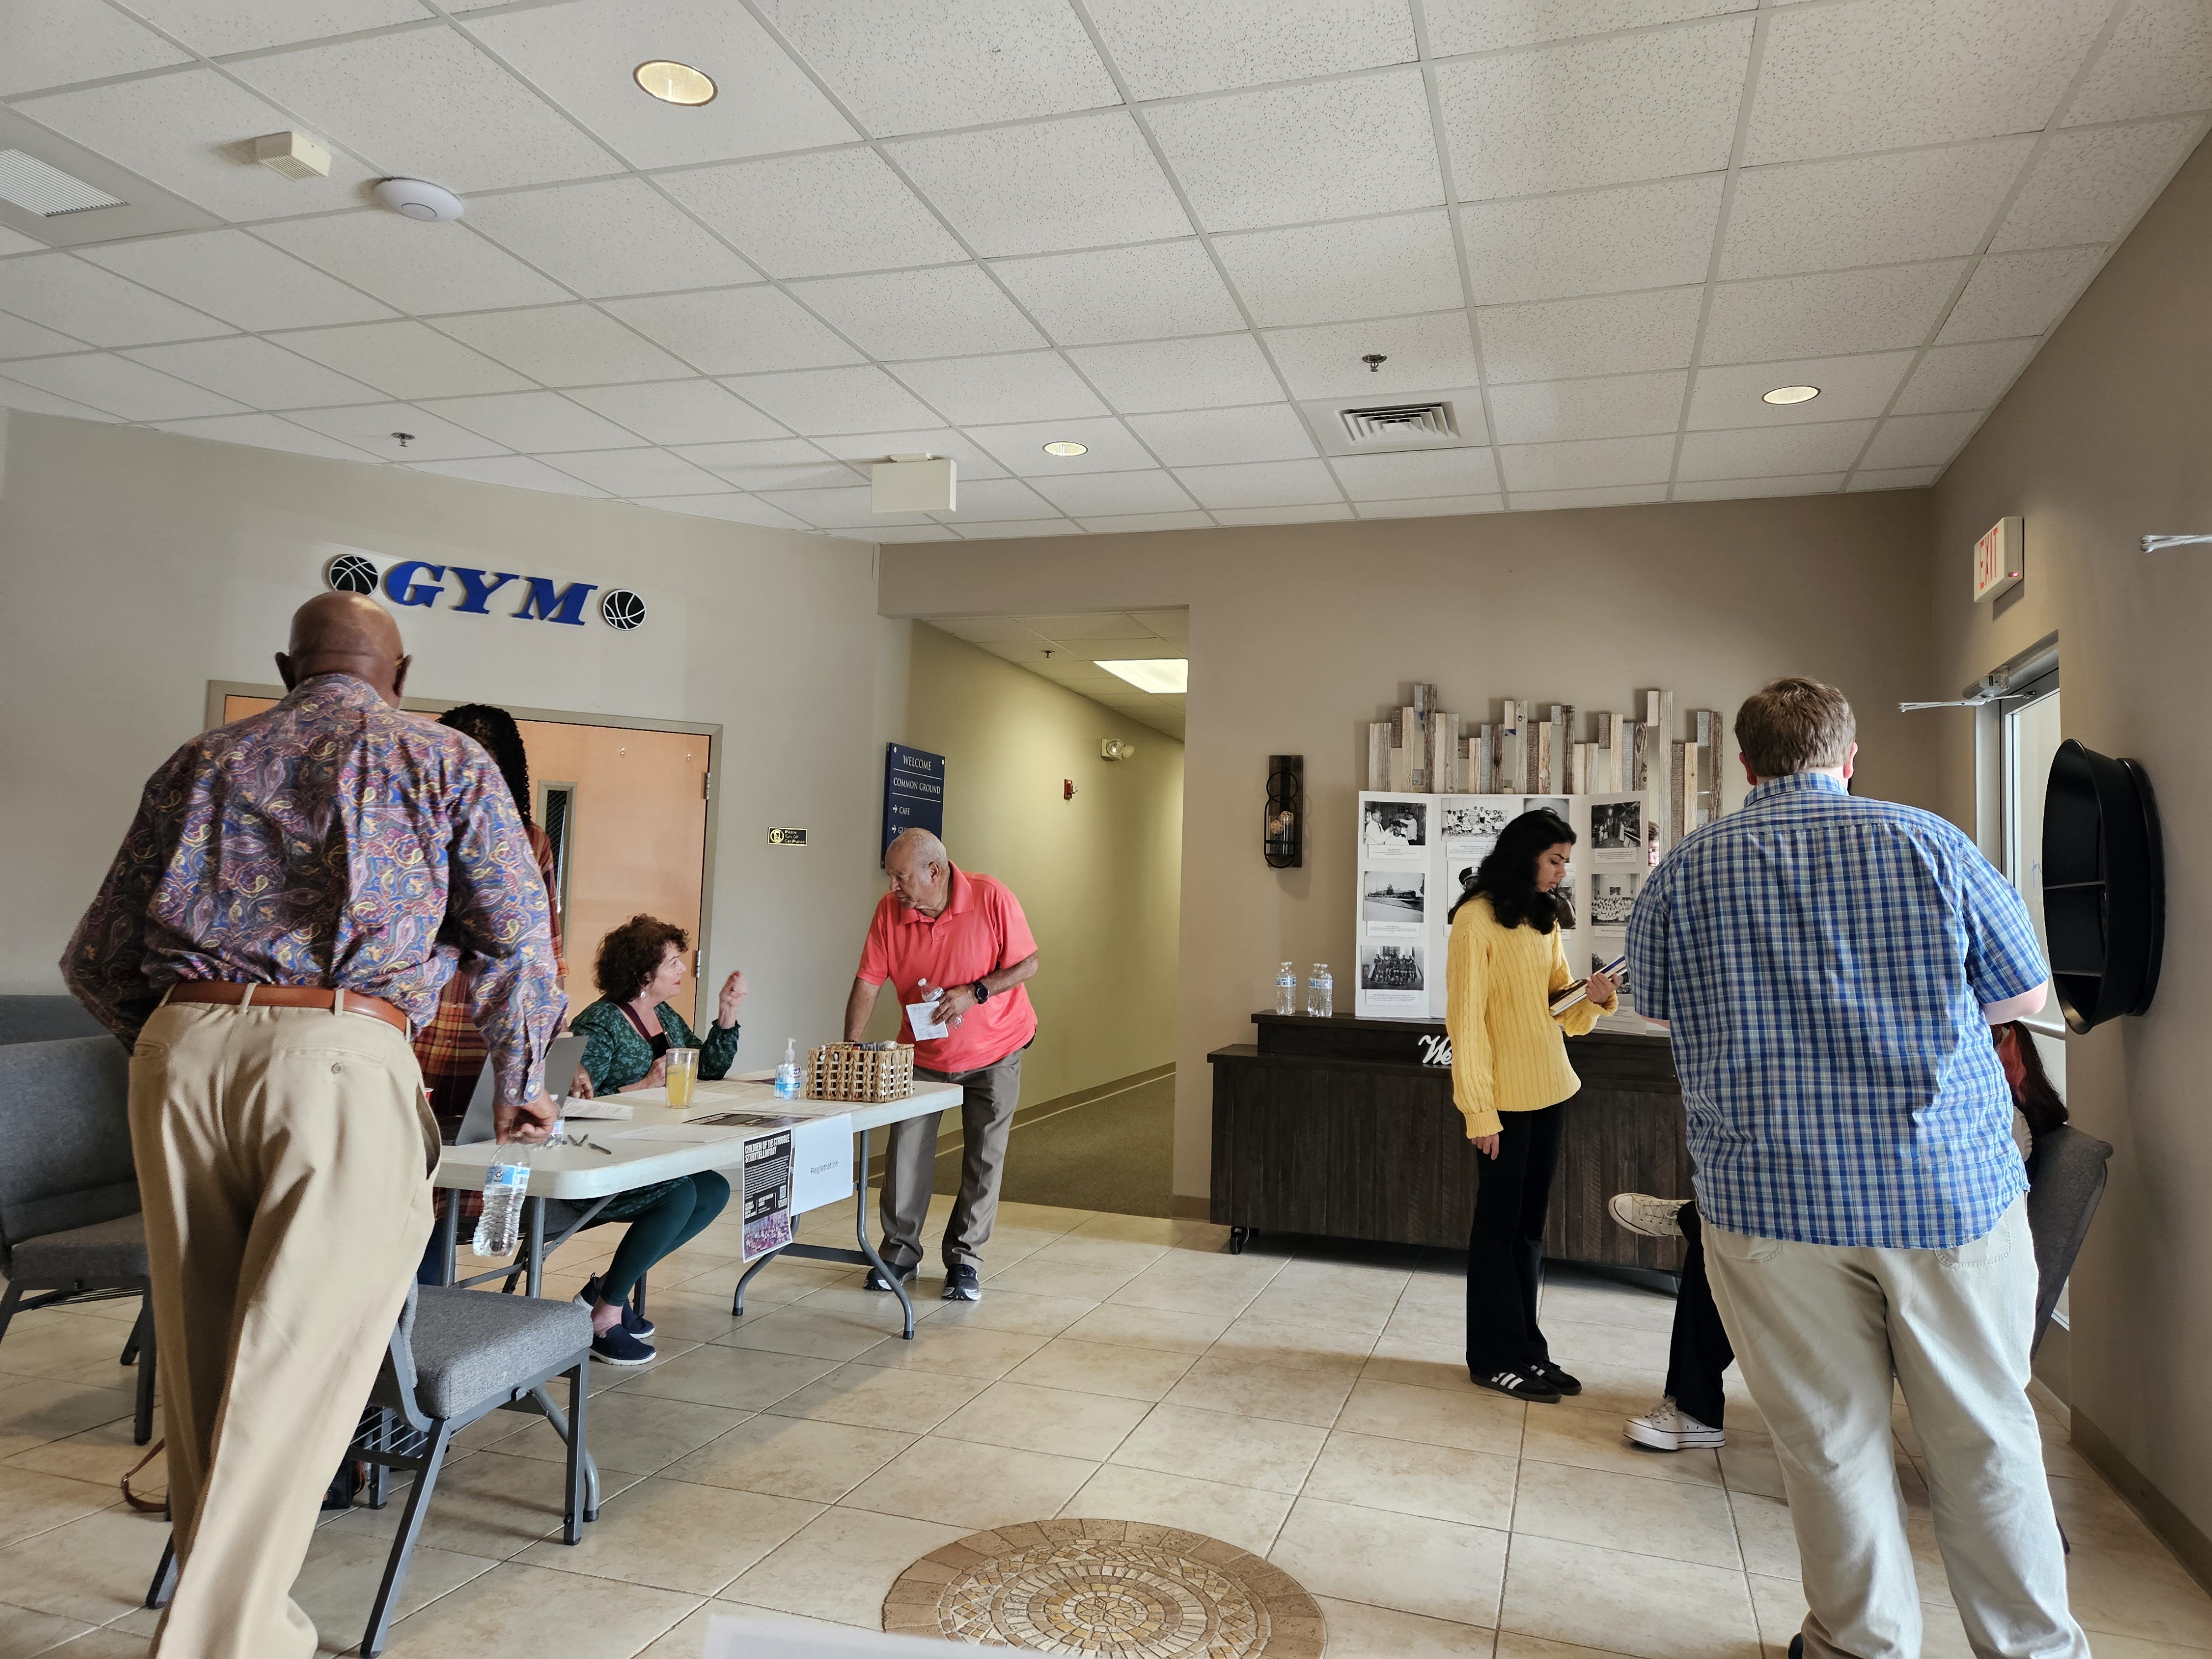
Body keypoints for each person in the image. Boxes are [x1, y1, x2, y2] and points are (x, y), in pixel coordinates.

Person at [62, 593, 562, 1659]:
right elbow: (520, 944)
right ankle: (225, 1643)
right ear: (403, 668)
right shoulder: (443, 761)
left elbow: (93, 959)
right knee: (302, 1360)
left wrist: (173, 1049)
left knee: (205, 1361)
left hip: (183, 1051)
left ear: (288, 666)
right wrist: (520, 1079)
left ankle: (229, 1612)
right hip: (337, 1053)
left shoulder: (198, 761)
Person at [1624, 676, 2086, 1659]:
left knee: (1831, 1445)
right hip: (1945, 1194)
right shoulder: (1932, 843)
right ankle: (2036, 1650)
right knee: (1986, 1438)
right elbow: (2025, 994)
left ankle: (1860, 1644)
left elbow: (1657, 1009)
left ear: (1745, 764)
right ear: (1850, 755)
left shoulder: (1686, 872)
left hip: (1772, 1204)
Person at [1611, 1020, 2074, 1454]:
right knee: (1722, 1240)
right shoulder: (1984, 1114)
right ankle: (1699, 1228)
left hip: (1915, 1261)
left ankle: (1694, 1229)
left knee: (1726, 1232)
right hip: (1881, 1239)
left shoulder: (1994, 1122)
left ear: (2009, 1050)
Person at [1447, 807, 1618, 1402]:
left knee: (1527, 1232)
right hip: (1504, 1105)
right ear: (1525, 854)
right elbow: (1465, 1024)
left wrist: (1594, 999)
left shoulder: (1545, 920)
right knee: (1496, 1232)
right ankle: (1491, 1357)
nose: (1561, 872)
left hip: (1550, 1091)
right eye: (1555, 860)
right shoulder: (1475, 921)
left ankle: (1527, 1349)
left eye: (1566, 862)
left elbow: (1559, 1011)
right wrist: (1478, 1111)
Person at [843, 828, 1039, 1303]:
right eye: (891, 877)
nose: (893, 888)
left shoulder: (991, 897)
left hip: (996, 1049)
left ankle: (965, 1260)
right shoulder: (890, 912)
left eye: (901, 877)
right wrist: (851, 1045)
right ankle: (899, 1253)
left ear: (934, 871)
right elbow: (869, 981)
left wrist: (975, 993)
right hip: (924, 1056)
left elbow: (1028, 964)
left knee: (984, 1154)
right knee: (906, 1151)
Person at [565, 914, 746, 1363]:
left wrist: (728, 1014)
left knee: (713, 1189)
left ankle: (607, 1290)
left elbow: (708, 1068)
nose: (682, 970)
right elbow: (574, 1101)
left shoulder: (663, 1014)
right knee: (680, 1193)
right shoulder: (600, 1023)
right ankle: (605, 1317)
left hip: (646, 1149)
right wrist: (642, 1087)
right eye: (673, 963)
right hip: (598, 1160)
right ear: (645, 974)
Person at [411, 705, 565, 1134]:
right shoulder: (411, 829)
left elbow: (546, 957)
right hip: (435, 1027)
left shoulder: (532, 841)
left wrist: (551, 1051)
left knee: (477, 1165)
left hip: (486, 1034)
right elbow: (544, 956)